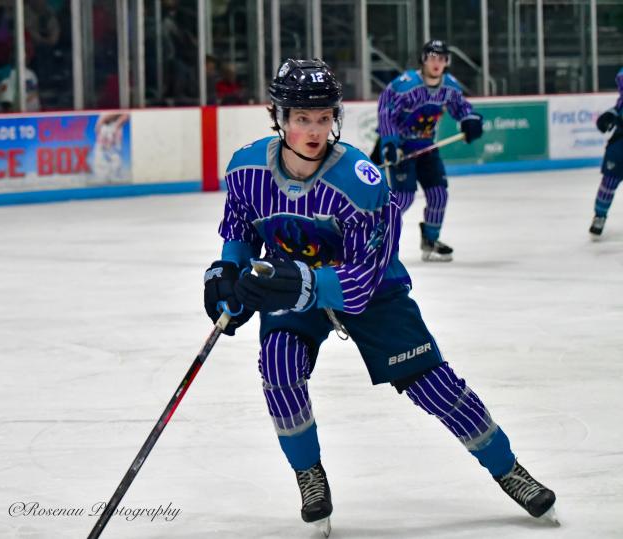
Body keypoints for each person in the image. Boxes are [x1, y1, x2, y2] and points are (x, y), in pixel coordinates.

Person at [203, 58, 557, 535]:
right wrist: (227, 273)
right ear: (280, 117)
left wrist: (301, 282)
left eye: (324, 118)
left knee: (436, 387)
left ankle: (507, 467)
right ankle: (309, 473)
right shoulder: (247, 170)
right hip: (292, 283)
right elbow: (240, 232)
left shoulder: (360, 181)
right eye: (302, 119)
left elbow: (361, 282)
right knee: (279, 366)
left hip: (369, 291)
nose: (314, 130)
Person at [375, 39, 483, 262]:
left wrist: (469, 120)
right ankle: (375, 240)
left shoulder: (449, 86)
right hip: (402, 147)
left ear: (447, 62)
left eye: (441, 59)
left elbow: (461, 107)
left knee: (439, 194)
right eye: (432, 58)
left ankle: (431, 240)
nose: (436, 63)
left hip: (427, 147)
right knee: (403, 198)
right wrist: (389, 142)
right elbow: (386, 110)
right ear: (423, 60)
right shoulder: (405, 85)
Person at [589, 67, 623, 237]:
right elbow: (620, 104)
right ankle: (599, 216)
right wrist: (611, 114)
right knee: (609, 181)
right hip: (620, 143)